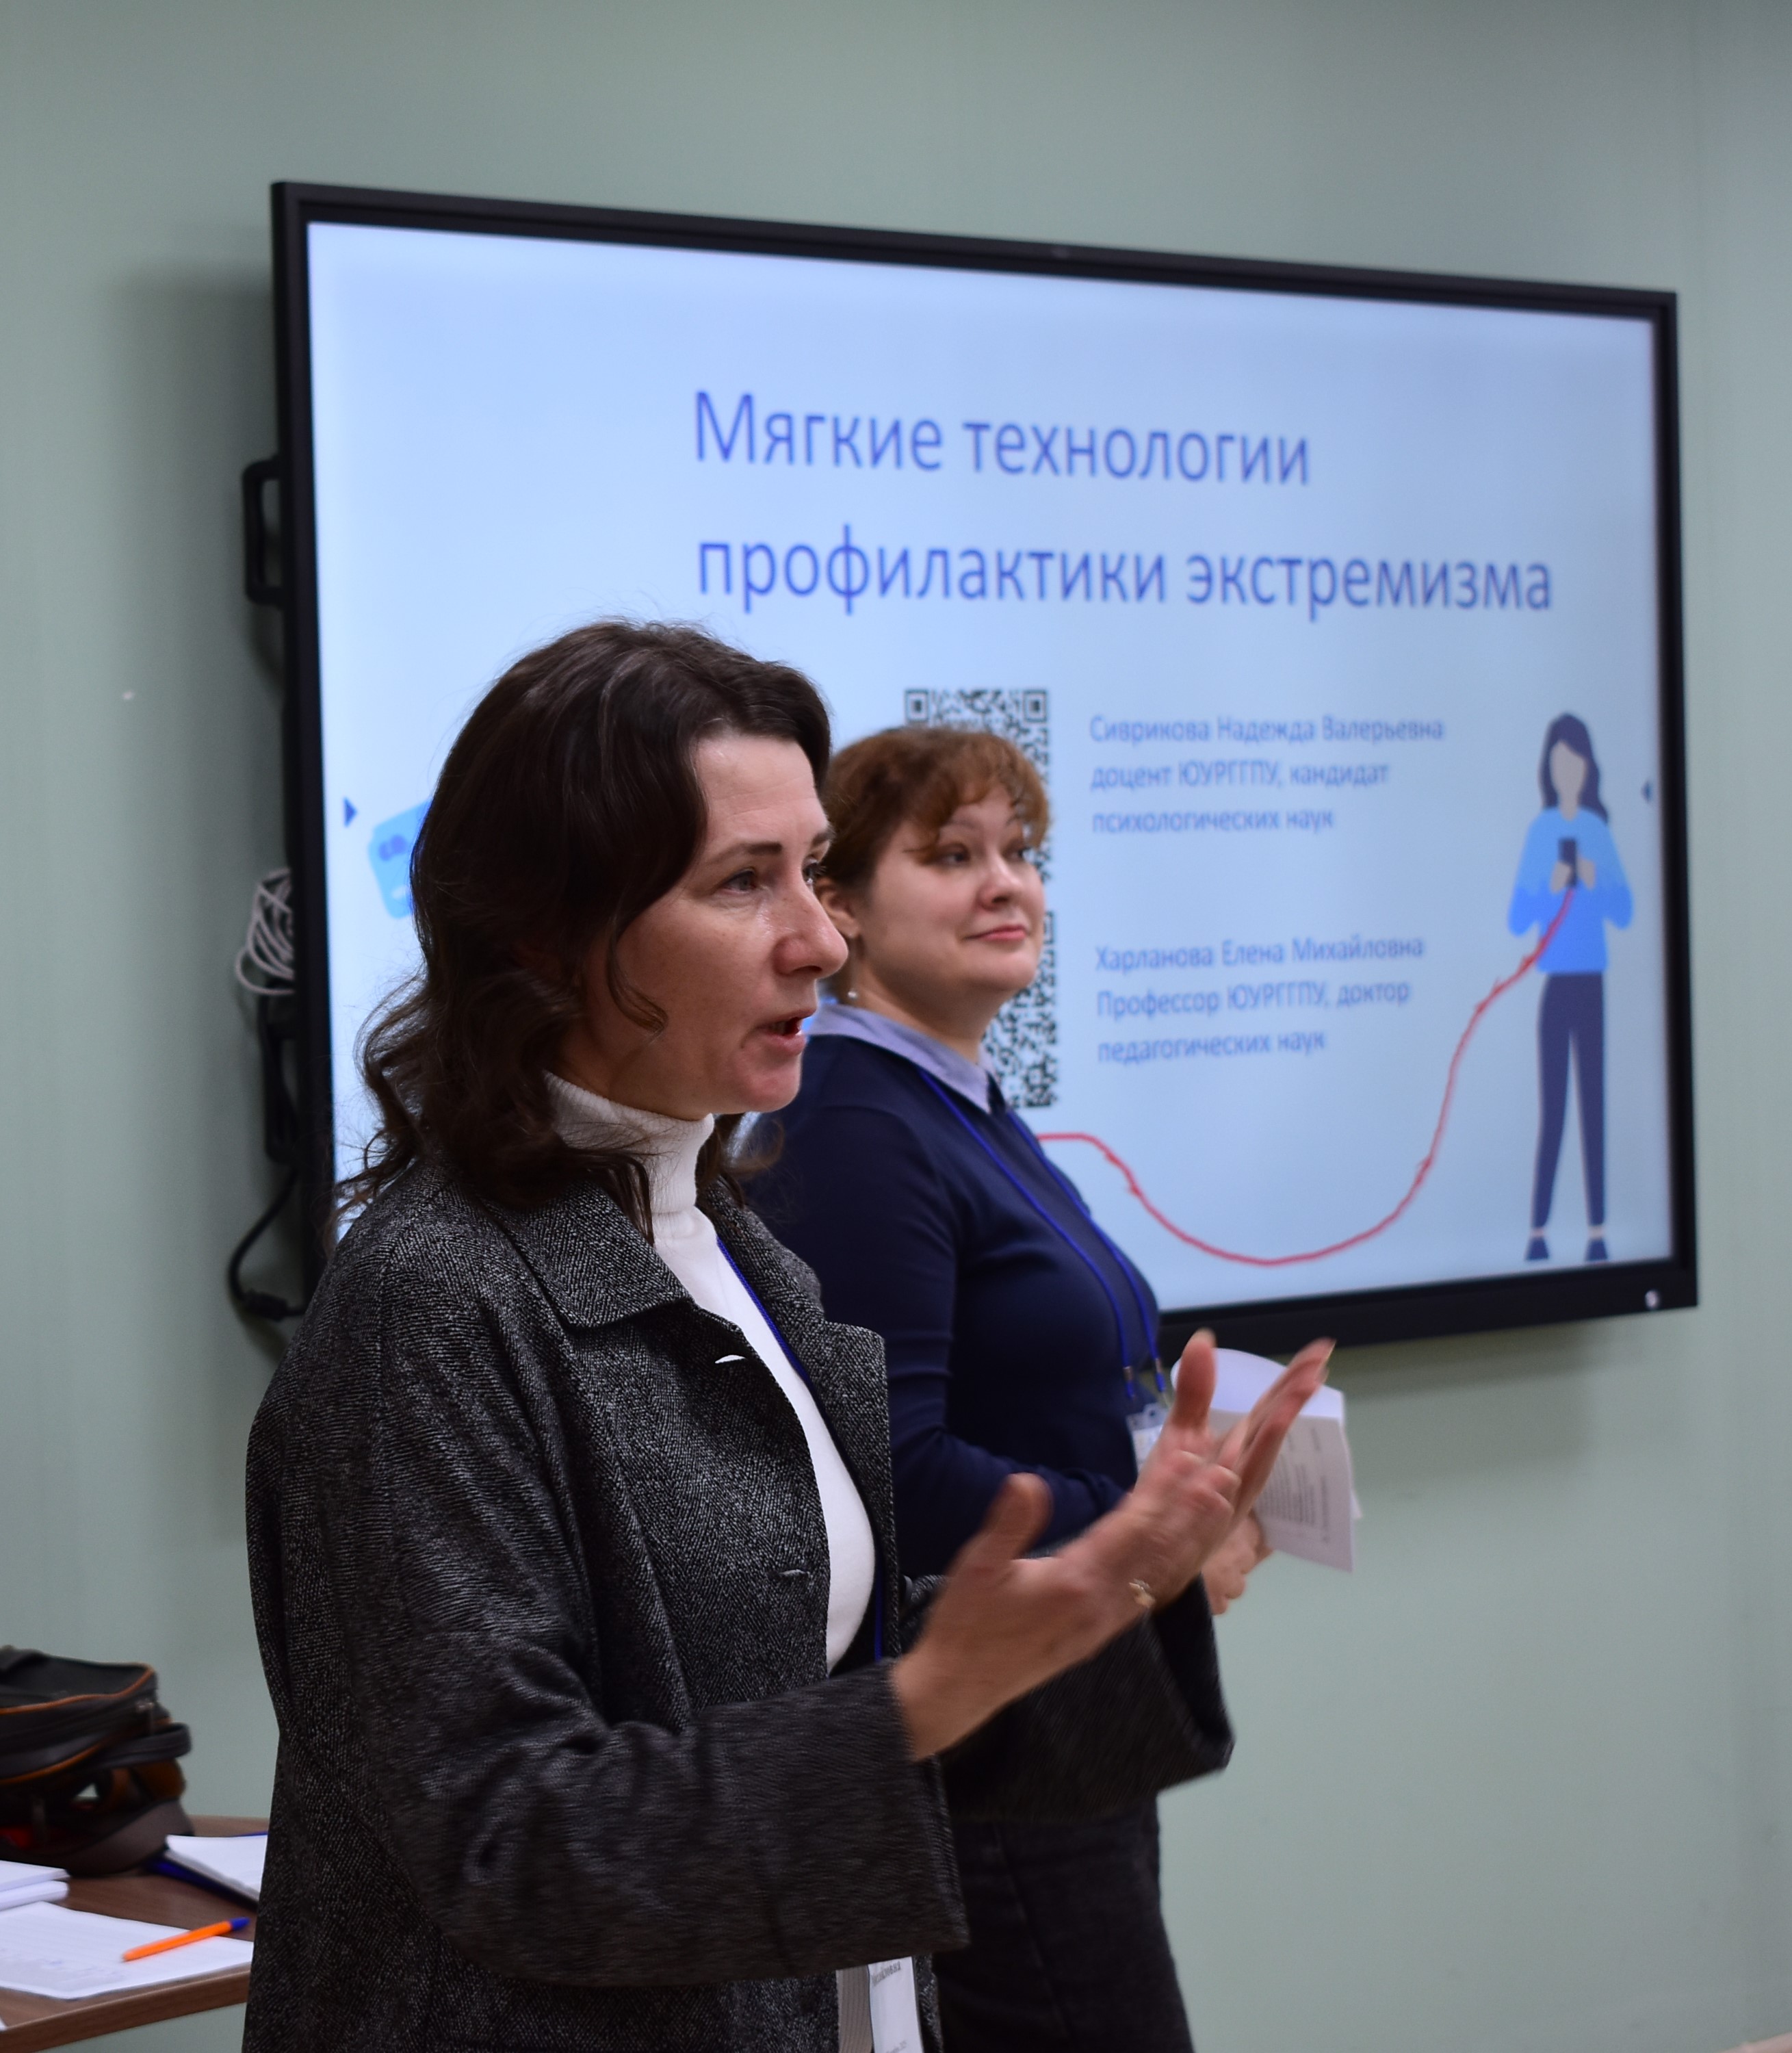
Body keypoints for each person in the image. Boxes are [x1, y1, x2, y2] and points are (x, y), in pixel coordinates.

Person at [243, 622, 1329, 2053]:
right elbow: (509, 1842)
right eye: (742, 882)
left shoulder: (735, 1248)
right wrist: (919, 1699)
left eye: (813, 870)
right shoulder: (428, 1306)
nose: (819, 938)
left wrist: (1113, 1586)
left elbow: (817, 1679)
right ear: (546, 935)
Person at [751, 723, 1290, 2053]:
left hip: (1068, 1703)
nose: (1004, 883)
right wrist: (1148, 1537)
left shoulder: (957, 1101)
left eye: (1020, 851)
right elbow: (890, 1471)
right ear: (841, 906)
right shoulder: (856, 1121)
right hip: (985, 1738)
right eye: (950, 856)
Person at [1508, 712, 1633, 1264]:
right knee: (1553, 1111)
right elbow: (1517, 918)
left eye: (1575, 762)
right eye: (1558, 763)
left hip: (1593, 987)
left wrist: (1594, 878)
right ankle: (1536, 1233)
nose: (1567, 772)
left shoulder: (1598, 833)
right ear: (1548, 768)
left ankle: (1597, 1233)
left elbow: (1624, 912)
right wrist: (1548, 885)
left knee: (1593, 1109)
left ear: (1588, 768)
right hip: (1555, 987)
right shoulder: (1539, 833)